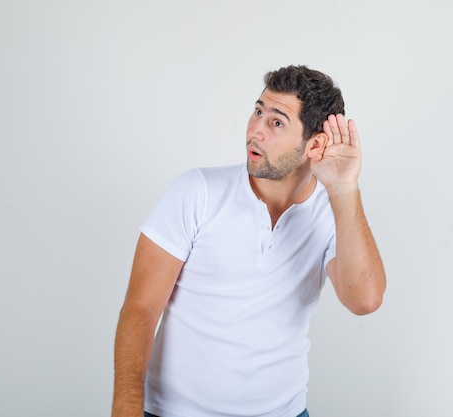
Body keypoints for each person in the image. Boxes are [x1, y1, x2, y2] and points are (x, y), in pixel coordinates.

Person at [112, 65, 386, 417]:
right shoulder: (197, 191)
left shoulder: (334, 213)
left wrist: (345, 188)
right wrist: (126, 409)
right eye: (258, 111)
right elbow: (141, 308)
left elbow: (364, 300)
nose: (254, 130)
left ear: (314, 144)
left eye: (276, 122)